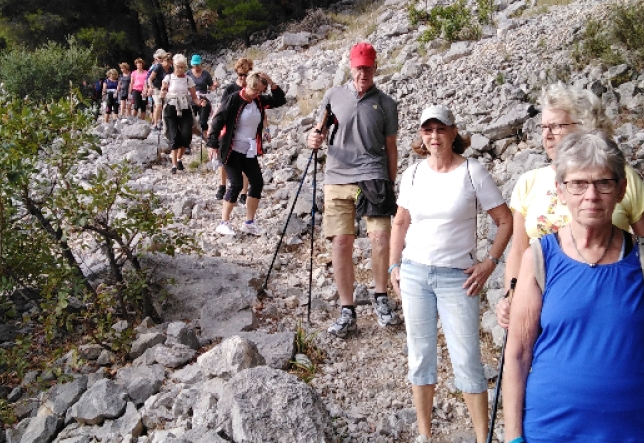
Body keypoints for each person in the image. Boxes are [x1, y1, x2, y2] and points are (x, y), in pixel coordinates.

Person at [503, 132, 644, 443]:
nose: (591, 195)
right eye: (578, 184)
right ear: (560, 191)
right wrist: (513, 437)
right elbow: (517, 354)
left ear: (621, 190)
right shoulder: (539, 258)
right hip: (552, 432)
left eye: (603, 183)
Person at [496, 84, 644, 328]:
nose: (547, 135)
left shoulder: (620, 177)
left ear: (584, 125)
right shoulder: (529, 182)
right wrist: (510, 296)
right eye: (544, 127)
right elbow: (519, 251)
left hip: (611, 304)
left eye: (556, 126)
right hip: (542, 308)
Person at [389, 105, 512, 443]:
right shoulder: (413, 174)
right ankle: (425, 435)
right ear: (421, 134)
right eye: (427, 130)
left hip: (458, 277)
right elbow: (400, 222)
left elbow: (505, 220)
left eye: (440, 129)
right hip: (415, 274)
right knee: (420, 356)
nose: (434, 136)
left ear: (453, 132)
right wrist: (394, 265)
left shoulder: (473, 172)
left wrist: (490, 262)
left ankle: (482, 438)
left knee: (467, 359)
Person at [307, 41, 400, 337]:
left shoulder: (386, 104)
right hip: (337, 176)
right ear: (351, 67)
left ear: (375, 68)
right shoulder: (333, 97)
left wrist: (391, 182)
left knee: (380, 237)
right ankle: (347, 309)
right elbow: (319, 130)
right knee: (341, 241)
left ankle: (381, 296)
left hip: (374, 176)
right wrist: (313, 139)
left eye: (368, 68)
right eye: (359, 68)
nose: (363, 73)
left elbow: (391, 147)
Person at [207, 71, 286, 235]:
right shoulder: (234, 99)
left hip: (248, 150)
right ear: (249, 86)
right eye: (256, 90)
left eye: (261, 91)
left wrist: (271, 81)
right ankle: (223, 222)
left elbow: (280, 100)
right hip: (231, 148)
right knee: (236, 184)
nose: (258, 94)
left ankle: (249, 223)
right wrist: (212, 144)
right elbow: (217, 120)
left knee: (257, 182)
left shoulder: (258, 100)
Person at [213, 58, 254, 203]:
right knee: (224, 157)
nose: (242, 78)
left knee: (246, 160)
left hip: (246, 130)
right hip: (228, 128)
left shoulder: (252, 90)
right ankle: (222, 185)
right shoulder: (230, 89)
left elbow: (259, 110)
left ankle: (243, 192)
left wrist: (265, 128)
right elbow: (221, 107)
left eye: (245, 75)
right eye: (240, 75)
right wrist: (214, 126)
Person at [161, 54, 201, 173]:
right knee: (174, 135)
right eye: (178, 66)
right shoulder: (168, 78)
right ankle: (174, 165)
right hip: (171, 107)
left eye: (182, 67)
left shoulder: (188, 79)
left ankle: (179, 159)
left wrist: (200, 103)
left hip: (184, 107)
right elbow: (163, 90)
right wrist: (162, 94)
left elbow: (194, 97)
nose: (180, 69)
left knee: (186, 135)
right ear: (173, 65)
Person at [188, 54, 217, 139]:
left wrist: (215, 86)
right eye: (194, 65)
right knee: (189, 121)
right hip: (191, 98)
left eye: (197, 64)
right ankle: (188, 140)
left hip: (203, 98)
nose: (196, 66)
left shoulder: (206, 74)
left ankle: (206, 138)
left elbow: (211, 87)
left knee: (203, 121)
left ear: (200, 63)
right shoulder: (188, 73)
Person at [148, 49, 170, 129]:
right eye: (159, 58)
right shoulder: (158, 67)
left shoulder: (171, 68)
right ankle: (155, 123)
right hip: (156, 89)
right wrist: (150, 87)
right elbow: (150, 78)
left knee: (165, 106)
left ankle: (163, 122)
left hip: (165, 90)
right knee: (158, 105)